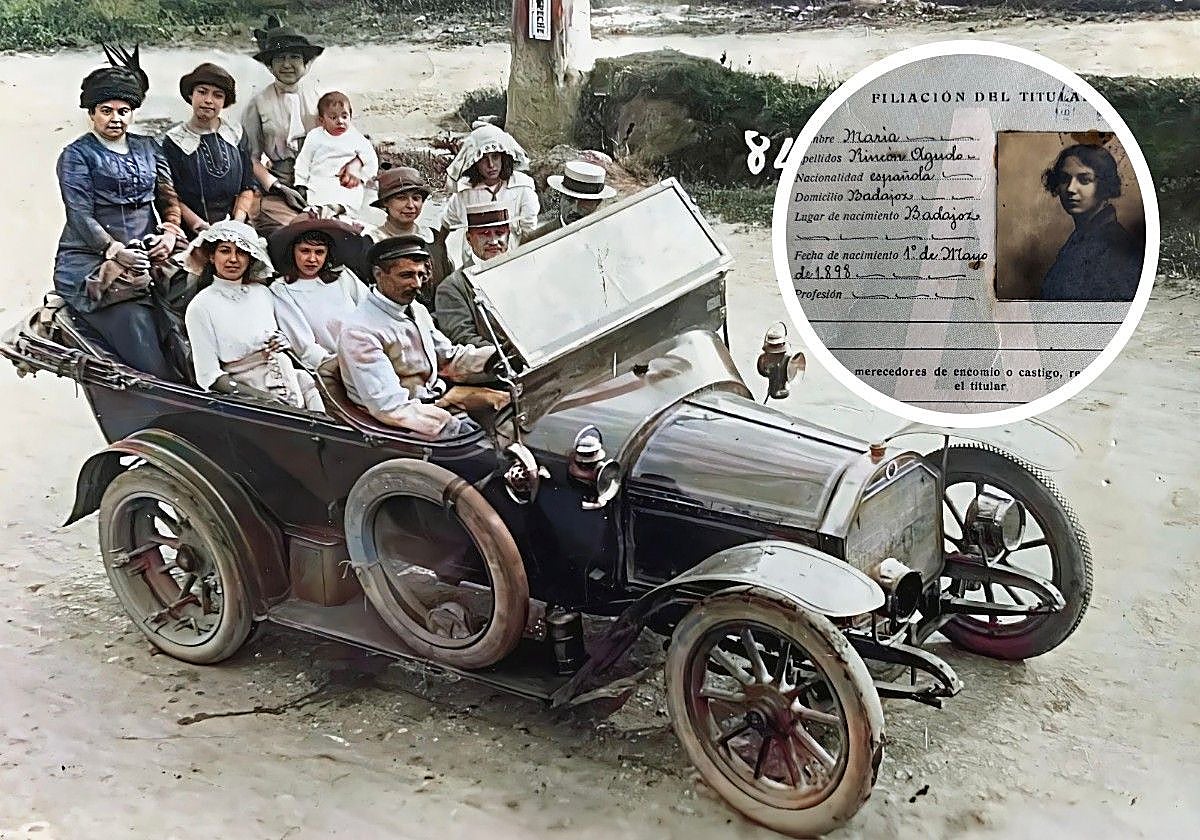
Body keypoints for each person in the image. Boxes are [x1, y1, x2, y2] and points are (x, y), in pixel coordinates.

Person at [53, 48, 183, 381]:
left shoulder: (149, 147)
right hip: (93, 257)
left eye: (123, 111)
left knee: (195, 298)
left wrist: (169, 232)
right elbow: (80, 215)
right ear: (92, 114)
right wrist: (114, 251)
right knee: (136, 325)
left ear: (133, 113)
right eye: (106, 111)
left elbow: (168, 198)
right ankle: (160, 391)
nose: (115, 119)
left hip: (150, 250)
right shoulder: (77, 155)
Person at [337, 235, 509, 439]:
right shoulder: (360, 331)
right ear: (378, 274)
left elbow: (448, 359)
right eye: (406, 275)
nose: (417, 284)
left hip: (437, 403)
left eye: (420, 275)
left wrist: (504, 354)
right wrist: (452, 427)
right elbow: (391, 408)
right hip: (401, 428)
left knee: (514, 408)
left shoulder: (415, 310)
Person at [183, 219, 322, 410]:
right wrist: (264, 399)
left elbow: (276, 337)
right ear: (212, 256)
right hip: (246, 394)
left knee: (312, 391)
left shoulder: (262, 292)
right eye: (225, 251)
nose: (233, 259)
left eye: (241, 252)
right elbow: (208, 377)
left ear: (250, 258)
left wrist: (282, 341)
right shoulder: (200, 306)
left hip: (285, 376)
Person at [240, 19, 337, 233]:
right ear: (270, 65)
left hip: (322, 182)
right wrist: (277, 186)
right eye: (279, 58)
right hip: (280, 187)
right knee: (292, 233)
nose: (287, 65)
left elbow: (343, 142)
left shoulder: (322, 98)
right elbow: (251, 157)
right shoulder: (258, 103)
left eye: (294, 57)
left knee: (336, 230)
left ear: (306, 63)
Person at [162, 63, 257, 236]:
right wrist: (198, 225)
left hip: (235, 224)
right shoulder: (174, 141)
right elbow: (171, 195)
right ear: (191, 94)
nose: (208, 100)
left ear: (224, 102)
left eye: (217, 95)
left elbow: (247, 185)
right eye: (202, 92)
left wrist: (237, 223)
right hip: (191, 228)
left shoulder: (235, 133)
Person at [1039, 144, 1142, 302]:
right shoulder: (1078, 239)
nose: (1071, 189)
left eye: (1084, 180)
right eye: (1065, 179)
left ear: (1104, 186)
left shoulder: (1115, 247)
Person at [268, 216, 369, 370]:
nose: (312, 259)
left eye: (319, 252)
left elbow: (370, 311)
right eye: (305, 251)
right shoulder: (282, 289)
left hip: (368, 355)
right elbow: (304, 346)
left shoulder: (343, 277)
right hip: (330, 367)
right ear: (292, 251)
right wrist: (338, 366)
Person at [441, 123, 539, 263]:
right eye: (483, 159)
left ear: (503, 157)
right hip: (473, 263)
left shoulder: (522, 187)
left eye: (495, 157)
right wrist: (440, 255)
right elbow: (445, 224)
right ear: (474, 162)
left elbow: (529, 233)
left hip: (512, 260)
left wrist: (519, 261)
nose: (491, 165)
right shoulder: (465, 193)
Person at [433, 202, 511, 349]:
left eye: (500, 233)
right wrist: (513, 357)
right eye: (484, 234)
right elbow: (463, 338)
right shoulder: (452, 287)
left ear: (509, 234)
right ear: (469, 238)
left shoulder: (524, 269)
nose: (494, 241)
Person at [365, 166, 450, 294]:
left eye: (416, 198)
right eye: (401, 198)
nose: (410, 205)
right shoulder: (372, 241)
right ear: (385, 203)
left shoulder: (433, 237)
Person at [294, 91, 379, 213]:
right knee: (317, 195)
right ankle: (320, 210)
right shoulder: (315, 136)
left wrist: (362, 177)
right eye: (333, 117)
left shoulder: (356, 137)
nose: (340, 121)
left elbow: (371, 159)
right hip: (320, 181)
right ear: (322, 120)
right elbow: (304, 161)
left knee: (349, 196)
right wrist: (300, 183)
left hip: (345, 184)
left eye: (344, 116)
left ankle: (340, 208)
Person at [523, 160, 617, 244]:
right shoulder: (534, 240)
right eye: (570, 200)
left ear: (598, 203)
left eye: (584, 202)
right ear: (560, 197)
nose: (575, 209)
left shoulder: (609, 238)